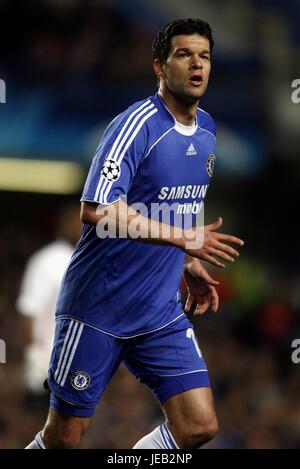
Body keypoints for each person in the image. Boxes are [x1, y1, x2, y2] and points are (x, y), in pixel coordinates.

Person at [26, 18, 244, 449]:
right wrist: (184, 240)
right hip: (97, 307)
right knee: (65, 438)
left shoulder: (208, 132)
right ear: (159, 67)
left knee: (199, 426)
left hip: (158, 310)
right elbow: (97, 210)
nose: (196, 65)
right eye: (184, 54)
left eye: (204, 56)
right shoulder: (136, 125)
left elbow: (180, 204)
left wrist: (189, 260)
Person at [17, 204, 82, 404]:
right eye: (77, 221)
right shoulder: (48, 259)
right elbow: (28, 310)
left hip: (79, 363)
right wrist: (33, 354)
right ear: (64, 225)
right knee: (42, 426)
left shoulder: (90, 259)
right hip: (48, 363)